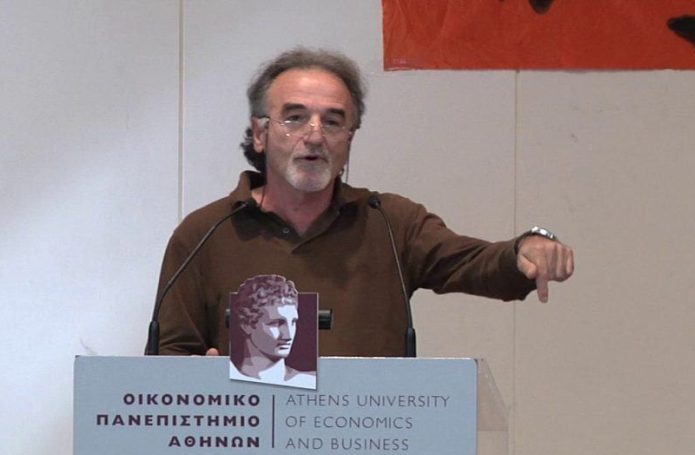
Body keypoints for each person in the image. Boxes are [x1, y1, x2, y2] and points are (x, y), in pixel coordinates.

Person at [154, 47, 574, 357]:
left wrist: (526, 248)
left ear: (349, 138)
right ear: (261, 134)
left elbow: (477, 263)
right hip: (246, 446)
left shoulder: (389, 223)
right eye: (295, 117)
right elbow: (165, 361)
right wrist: (202, 380)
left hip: (368, 446)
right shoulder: (205, 234)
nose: (314, 135)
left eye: (333, 121)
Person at [229, 274, 316, 389]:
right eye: (276, 323)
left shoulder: (310, 381)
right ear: (247, 325)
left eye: (293, 322)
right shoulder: (221, 382)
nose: (288, 335)